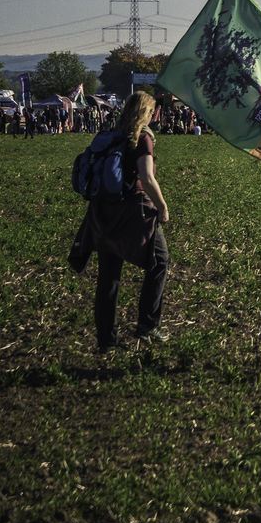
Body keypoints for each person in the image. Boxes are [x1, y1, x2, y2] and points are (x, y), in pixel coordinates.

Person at [73, 90, 170, 352]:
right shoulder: (143, 138)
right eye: (152, 112)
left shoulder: (113, 134)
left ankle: (106, 340)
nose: (153, 116)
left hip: (103, 212)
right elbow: (147, 178)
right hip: (133, 212)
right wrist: (162, 206)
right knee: (160, 261)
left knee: (108, 278)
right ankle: (148, 324)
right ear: (146, 113)